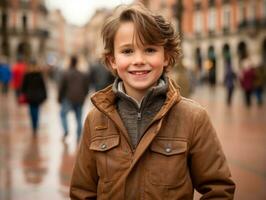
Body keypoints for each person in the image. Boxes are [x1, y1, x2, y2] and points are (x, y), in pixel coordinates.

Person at [70, 3, 235, 199]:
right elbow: (82, 192)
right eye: (127, 51)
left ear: (166, 56)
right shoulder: (95, 120)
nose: (138, 60)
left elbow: (218, 190)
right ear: (112, 59)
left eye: (149, 50)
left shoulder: (193, 118)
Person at [58, 55, 89, 142]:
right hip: (80, 98)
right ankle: (78, 136)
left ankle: (66, 130)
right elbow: (86, 87)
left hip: (68, 98)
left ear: (70, 62)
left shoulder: (65, 73)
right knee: (79, 117)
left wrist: (59, 98)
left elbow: (61, 88)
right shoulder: (82, 74)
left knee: (62, 114)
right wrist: (84, 96)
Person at [21, 59, 47, 136]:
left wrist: (24, 93)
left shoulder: (27, 75)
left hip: (30, 96)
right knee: (37, 111)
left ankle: (34, 126)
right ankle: (35, 125)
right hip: (38, 96)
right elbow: (43, 86)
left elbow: (23, 87)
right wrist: (45, 96)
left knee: (32, 111)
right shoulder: (39, 74)